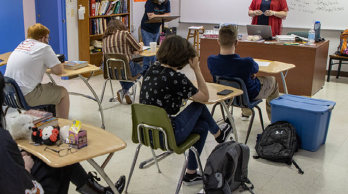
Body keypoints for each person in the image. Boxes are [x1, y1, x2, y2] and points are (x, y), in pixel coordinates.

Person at [140, 36, 232, 184]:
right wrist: (196, 68)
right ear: (184, 57)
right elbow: (204, 97)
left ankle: (191, 173)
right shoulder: (176, 78)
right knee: (199, 106)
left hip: (146, 132)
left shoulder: (151, 69)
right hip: (168, 135)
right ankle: (219, 134)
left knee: (202, 127)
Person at [207, 25, 279, 120]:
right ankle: (274, 120)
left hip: (225, 96)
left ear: (218, 41)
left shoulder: (211, 60)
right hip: (249, 95)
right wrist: (250, 73)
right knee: (273, 81)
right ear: (236, 42)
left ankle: (246, 113)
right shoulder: (247, 62)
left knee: (244, 81)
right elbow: (255, 69)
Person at [5, 23, 70, 119]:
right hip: (26, 97)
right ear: (43, 38)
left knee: (45, 87)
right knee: (63, 93)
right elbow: (59, 70)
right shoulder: (44, 47)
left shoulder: (21, 45)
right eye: (48, 38)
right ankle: (63, 126)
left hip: (9, 95)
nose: (48, 41)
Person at [102, 19, 144, 104]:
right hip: (125, 70)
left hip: (109, 72)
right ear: (121, 26)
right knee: (141, 69)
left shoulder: (104, 38)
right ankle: (124, 90)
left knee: (123, 71)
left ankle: (124, 91)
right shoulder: (125, 34)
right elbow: (138, 48)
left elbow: (119, 52)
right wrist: (141, 45)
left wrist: (132, 51)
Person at [140, 0, 170, 72]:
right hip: (146, 28)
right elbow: (150, 16)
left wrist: (155, 15)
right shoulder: (150, 2)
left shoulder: (167, 2)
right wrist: (161, 16)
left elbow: (168, 15)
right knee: (150, 49)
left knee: (150, 49)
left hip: (156, 28)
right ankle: (154, 68)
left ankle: (145, 69)